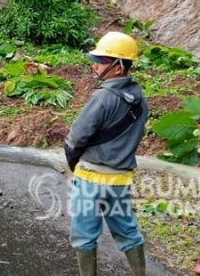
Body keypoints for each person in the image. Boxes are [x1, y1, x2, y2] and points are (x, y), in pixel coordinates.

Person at [64, 31, 148, 276]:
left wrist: (72, 159)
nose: (95, 65)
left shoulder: (102, 97)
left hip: (91, 178)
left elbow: (77, 136)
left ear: (118, 67)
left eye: (101, 61)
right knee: (127, 231)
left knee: (84, 235)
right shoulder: (141, 101)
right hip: (120, 180)